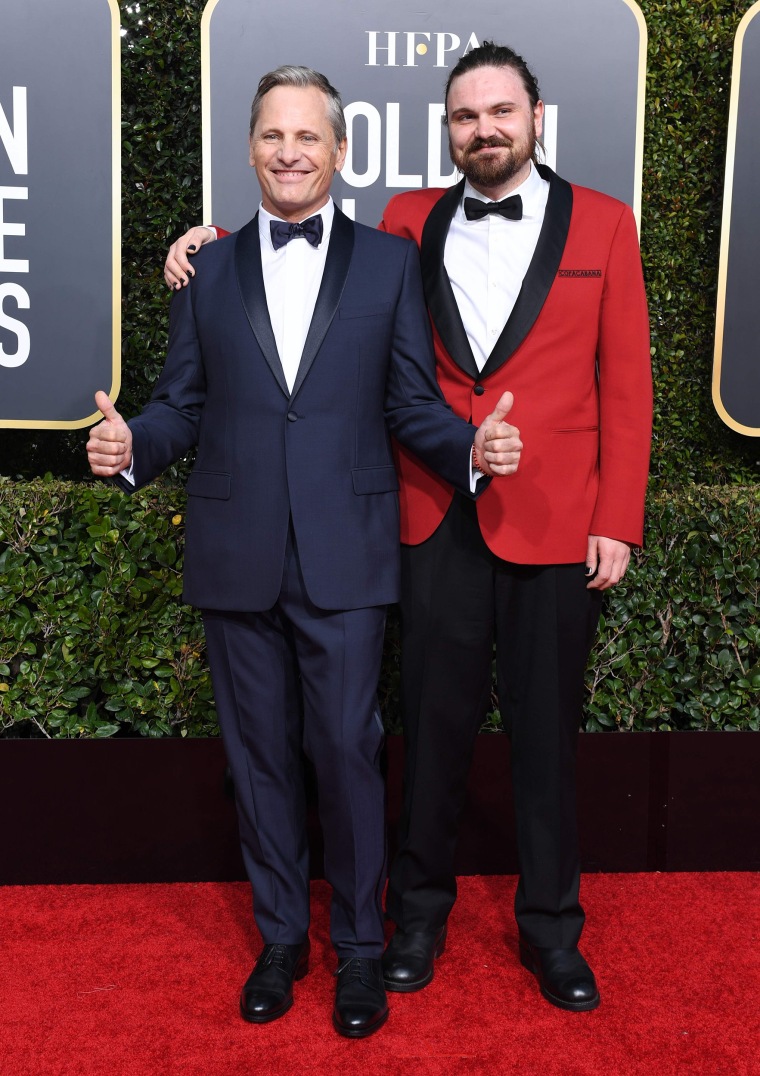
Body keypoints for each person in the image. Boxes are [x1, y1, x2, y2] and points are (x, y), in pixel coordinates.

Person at [163, 43, 652, 1014]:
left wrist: (618, 519)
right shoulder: (404, 222)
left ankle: (551, 928)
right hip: (431, 512)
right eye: (466, 116)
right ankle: (416, 916)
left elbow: (625, 384)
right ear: (448, 128)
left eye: (500, 112)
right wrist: (201, 249)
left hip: (556, 522)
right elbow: (300, 273)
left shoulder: (604, 221)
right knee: (428, 734)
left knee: (546, 741)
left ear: (536, 116)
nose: (484, 129)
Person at [88, 65, 521, 1039]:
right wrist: (131, 448)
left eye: (308, 136)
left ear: (339, 150)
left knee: (346, 752)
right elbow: (180, 404)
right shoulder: (208, 270)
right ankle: (281, 938)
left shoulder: (385, 264)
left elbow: (411, 401)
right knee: (260, 761)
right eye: (273, 135)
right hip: (237, 548)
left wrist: (471, 450)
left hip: (347, 553)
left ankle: (360, 951)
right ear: (250, 148)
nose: (290, 151)